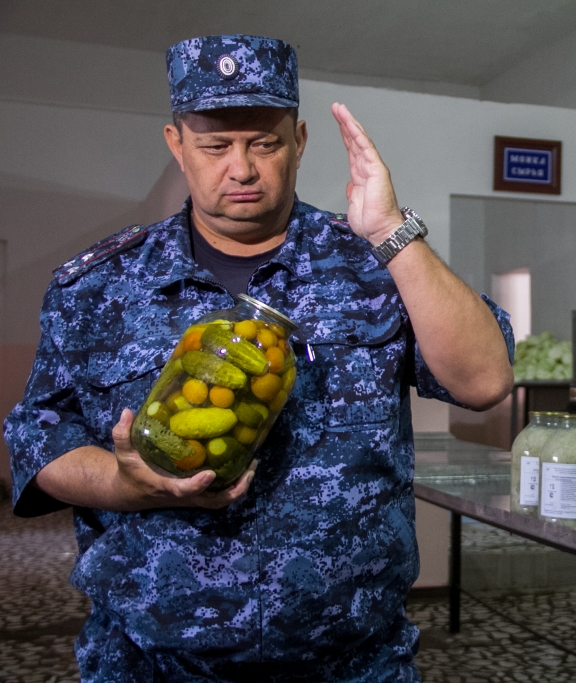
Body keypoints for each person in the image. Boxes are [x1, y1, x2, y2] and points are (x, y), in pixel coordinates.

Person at [4, 34, 514, 682]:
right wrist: (125, 483)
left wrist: (391, 231)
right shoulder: (97, 286)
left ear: (299, 142)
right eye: (216, 145)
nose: (241, 168)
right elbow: (40, 442)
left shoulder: (377, 265)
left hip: (353, 666)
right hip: (149, 666)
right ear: (176, 144)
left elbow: (485, 380)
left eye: (264, 143)